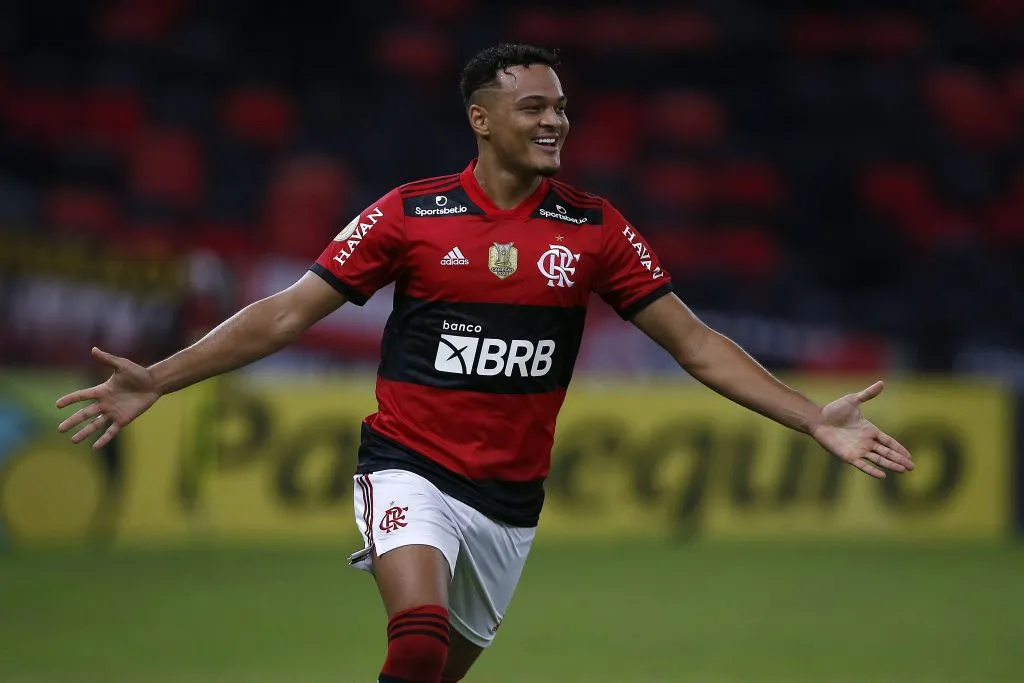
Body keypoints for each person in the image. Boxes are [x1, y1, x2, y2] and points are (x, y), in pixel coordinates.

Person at [56, 43, 915, 683]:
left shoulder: (594, 229)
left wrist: (812, 416)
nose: (554, 122)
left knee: (437, 669)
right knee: (419, 634)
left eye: (562, 108)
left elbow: (693, 344)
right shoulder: (409, 215)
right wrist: (158, 377)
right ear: (481, 119)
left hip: (509, 500)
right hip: (409, 465)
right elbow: (286, 313)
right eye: (535, 107)